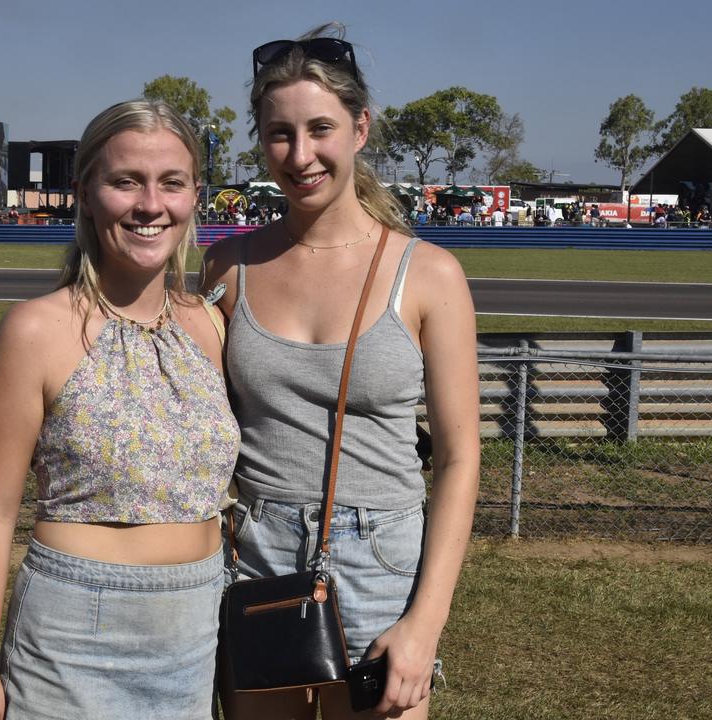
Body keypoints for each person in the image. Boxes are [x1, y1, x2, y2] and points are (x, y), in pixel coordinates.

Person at [202, 24, 480, 720]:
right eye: (279, 134)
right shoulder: (227, 268)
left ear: (360, 127)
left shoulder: (429, 275)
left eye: (320, 128)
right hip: (255, 553)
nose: (300, 156)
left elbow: (459, 458)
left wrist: (425, 623)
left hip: (382, 559)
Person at [0, 99, 239, 719]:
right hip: (72, 637)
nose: (150, 205)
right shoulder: (35, 331)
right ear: (85, 193)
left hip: (195, 631)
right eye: (125, 181)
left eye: (172, 182)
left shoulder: (209, 325)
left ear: (194, 195)